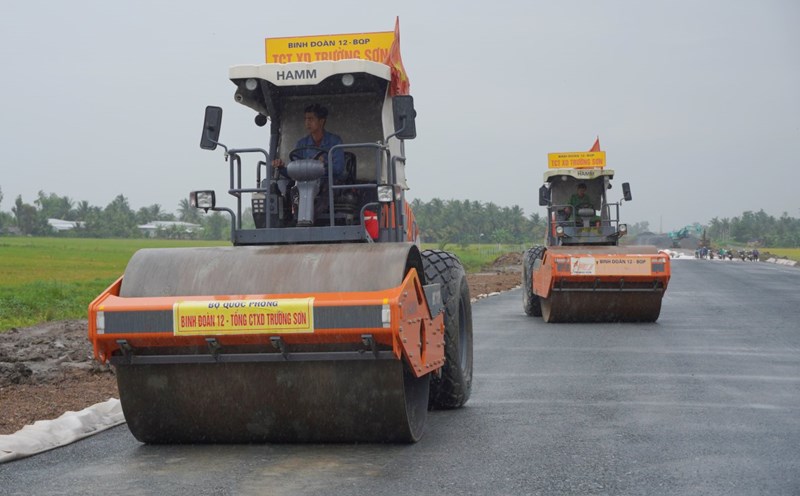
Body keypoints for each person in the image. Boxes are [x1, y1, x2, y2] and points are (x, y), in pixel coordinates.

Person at [271, 103, 345, 182]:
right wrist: (280, 167)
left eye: (311, 119)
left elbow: (338, 169)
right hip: (305, 185)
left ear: (321, 121)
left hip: (329, 185)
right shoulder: (301, 144)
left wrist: (323, 165)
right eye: (306, 119)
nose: (307, 122)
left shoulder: (335, 142)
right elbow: (294, 173)